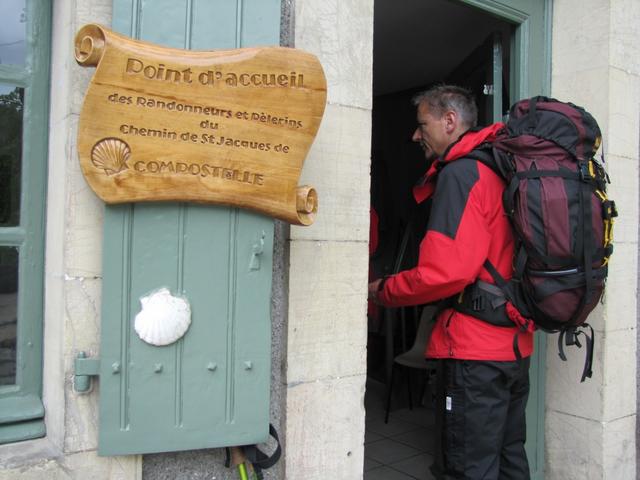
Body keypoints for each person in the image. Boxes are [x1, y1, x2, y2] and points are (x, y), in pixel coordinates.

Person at [368, 85, 534, 480]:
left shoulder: (461, 173)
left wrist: (384, 290)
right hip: (513, 348)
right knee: (510, 461)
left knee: (465, 469)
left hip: (474, 355)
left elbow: (445, 274)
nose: (414, 134)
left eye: (421, 124)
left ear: (449, 121)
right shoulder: (499, 169)